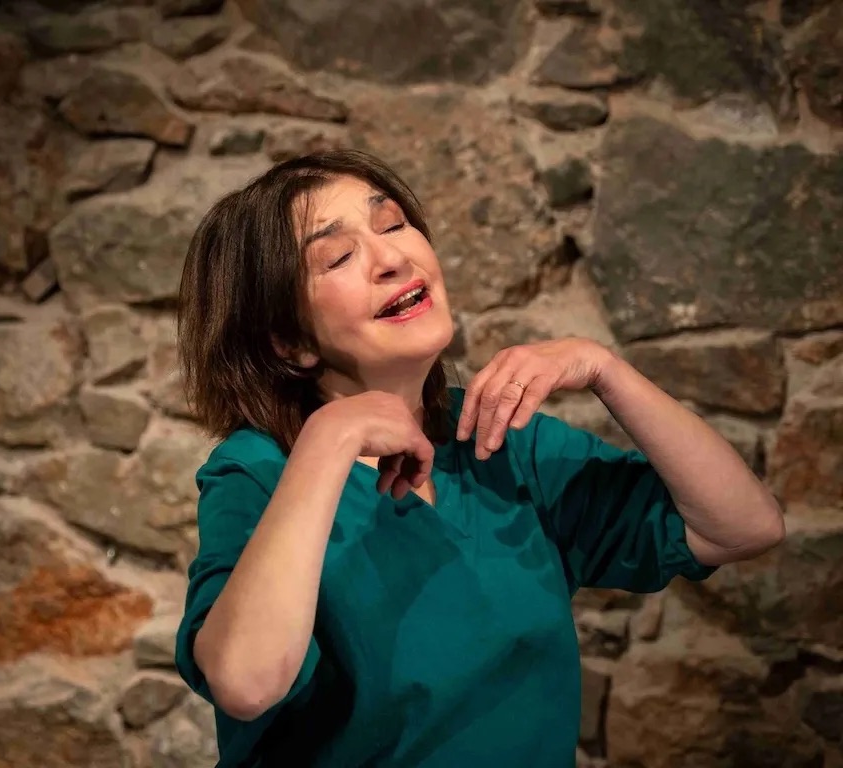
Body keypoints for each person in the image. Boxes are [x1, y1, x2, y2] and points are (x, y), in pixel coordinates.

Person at [171, 149, 785, 767]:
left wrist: (606, 369)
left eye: (392, 224)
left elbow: (744, 527)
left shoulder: (498, 438)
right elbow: (245, 684)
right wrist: (328, 441)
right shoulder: (259, 472)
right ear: (289, 342)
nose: (392, 258)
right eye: (338, 257)